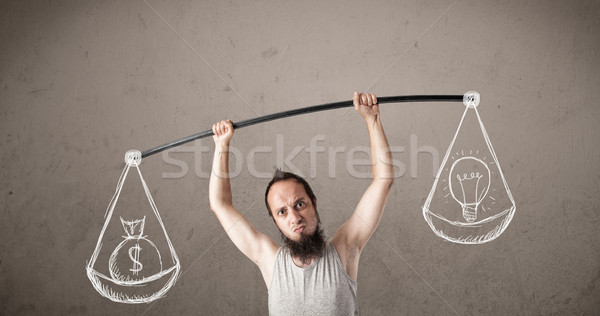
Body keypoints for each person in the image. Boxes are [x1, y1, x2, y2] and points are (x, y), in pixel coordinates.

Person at [209, 92, 393, 315]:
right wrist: (221, 145)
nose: (294, 218)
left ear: (313, 203)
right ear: (275, 221)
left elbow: (383, 181)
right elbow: (220, 204)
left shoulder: (345, 249)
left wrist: (372, 120)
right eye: (282, 212)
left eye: (299, 205)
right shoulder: (270, 261)